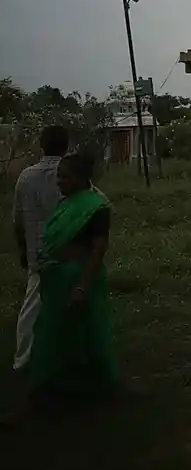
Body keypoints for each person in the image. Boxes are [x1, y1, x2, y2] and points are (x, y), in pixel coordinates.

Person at [29, 151, 118, 403]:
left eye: (65, 177)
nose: (59, 182)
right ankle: (53, 388)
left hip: (79, 278)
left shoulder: (96, 207)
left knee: (89, 333)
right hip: (57, 279)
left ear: (82, 178)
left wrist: (82, 286)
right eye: (58, 176)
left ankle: (100, 388)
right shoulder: (64, 204)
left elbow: (98, 249)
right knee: (53, 334)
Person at [13, 125, 69, 372]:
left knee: (32, 308)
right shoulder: (71, 176)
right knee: (70, 307)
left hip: (38, 252)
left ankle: (23, 359)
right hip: (68, 253)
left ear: (41, 145)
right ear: (66, 147)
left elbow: (17, 220)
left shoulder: (26, 176)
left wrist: (24, 250)